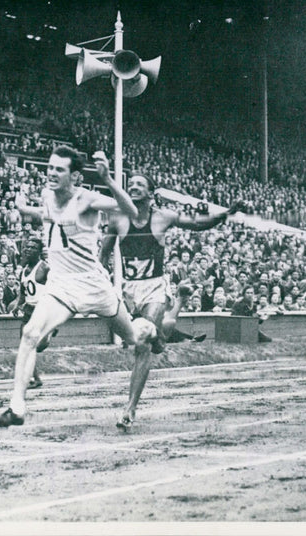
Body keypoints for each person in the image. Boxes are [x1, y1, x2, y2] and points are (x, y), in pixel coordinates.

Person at [0, 147, 156, 428]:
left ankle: (148, 327)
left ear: (74, 176)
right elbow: (44, 214)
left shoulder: (87, 199)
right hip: (61, 285)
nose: (52, 173)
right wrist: (21, 208)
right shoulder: (46, 196)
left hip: (92, 283)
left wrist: (108, 179)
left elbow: (130, 210)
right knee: (30, 333)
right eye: (51, 168)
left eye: (60, 169)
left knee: (133, 337)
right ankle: (16, 408)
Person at [99, 173, 245, 431]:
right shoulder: (117, 220)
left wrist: (225, 213)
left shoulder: (162, 217)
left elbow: (197, 224)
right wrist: (102, 285)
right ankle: (160, 338)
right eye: (130, 184)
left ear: (150, 192)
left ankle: (130, 407)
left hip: (155, 287)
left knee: (141, 344)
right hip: (129, 291)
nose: (133, 187)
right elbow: (103, 255)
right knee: (148, 340)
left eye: (139, 184)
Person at [7, 237, 57, 389]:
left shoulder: (45, 268)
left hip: (43, 310)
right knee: (26, 345)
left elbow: (56, 289)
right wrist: (17, 305)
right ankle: (35, 378)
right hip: (28, 310)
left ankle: (49, 331)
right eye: (26, 247)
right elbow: (23, 293)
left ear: (39, 252)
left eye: (32, 247)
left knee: (39, 346)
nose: (28, 250)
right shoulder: (23, 271)